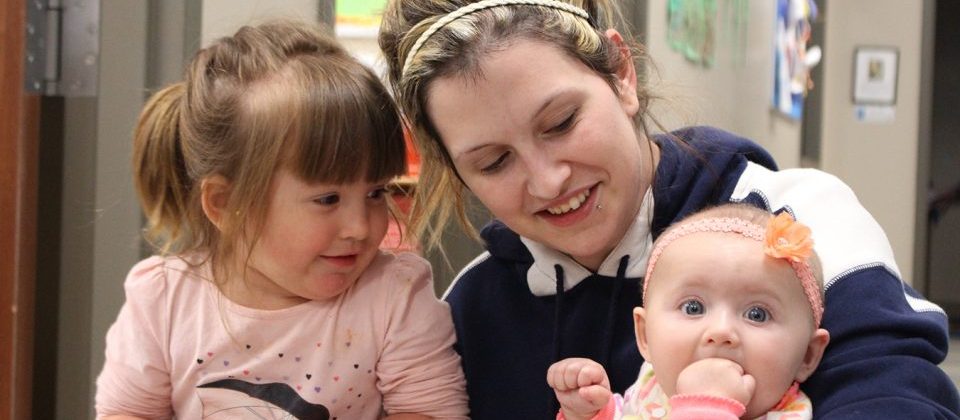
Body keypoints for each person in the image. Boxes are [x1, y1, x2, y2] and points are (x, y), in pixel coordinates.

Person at [377, 0, 960, 418]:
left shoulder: (791, 220)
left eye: (561, 123)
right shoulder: (472, 310)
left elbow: (893, 391)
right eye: (493, 162)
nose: (547, 180)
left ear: (622, 74)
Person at [95, 20, 468, 419]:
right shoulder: (163, 300)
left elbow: (430, 411)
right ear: (225, 204)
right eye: (327, 199)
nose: (361, 227)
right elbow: (127, 412)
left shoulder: (394, 295)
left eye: (376, 192)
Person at [548, 204, 830, 419]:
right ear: (645, 335)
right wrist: (593, 412)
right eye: (693, 308)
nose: (721, 332)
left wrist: (707, 406)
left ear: (807, 354)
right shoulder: (650, 387)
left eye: (758, 314)